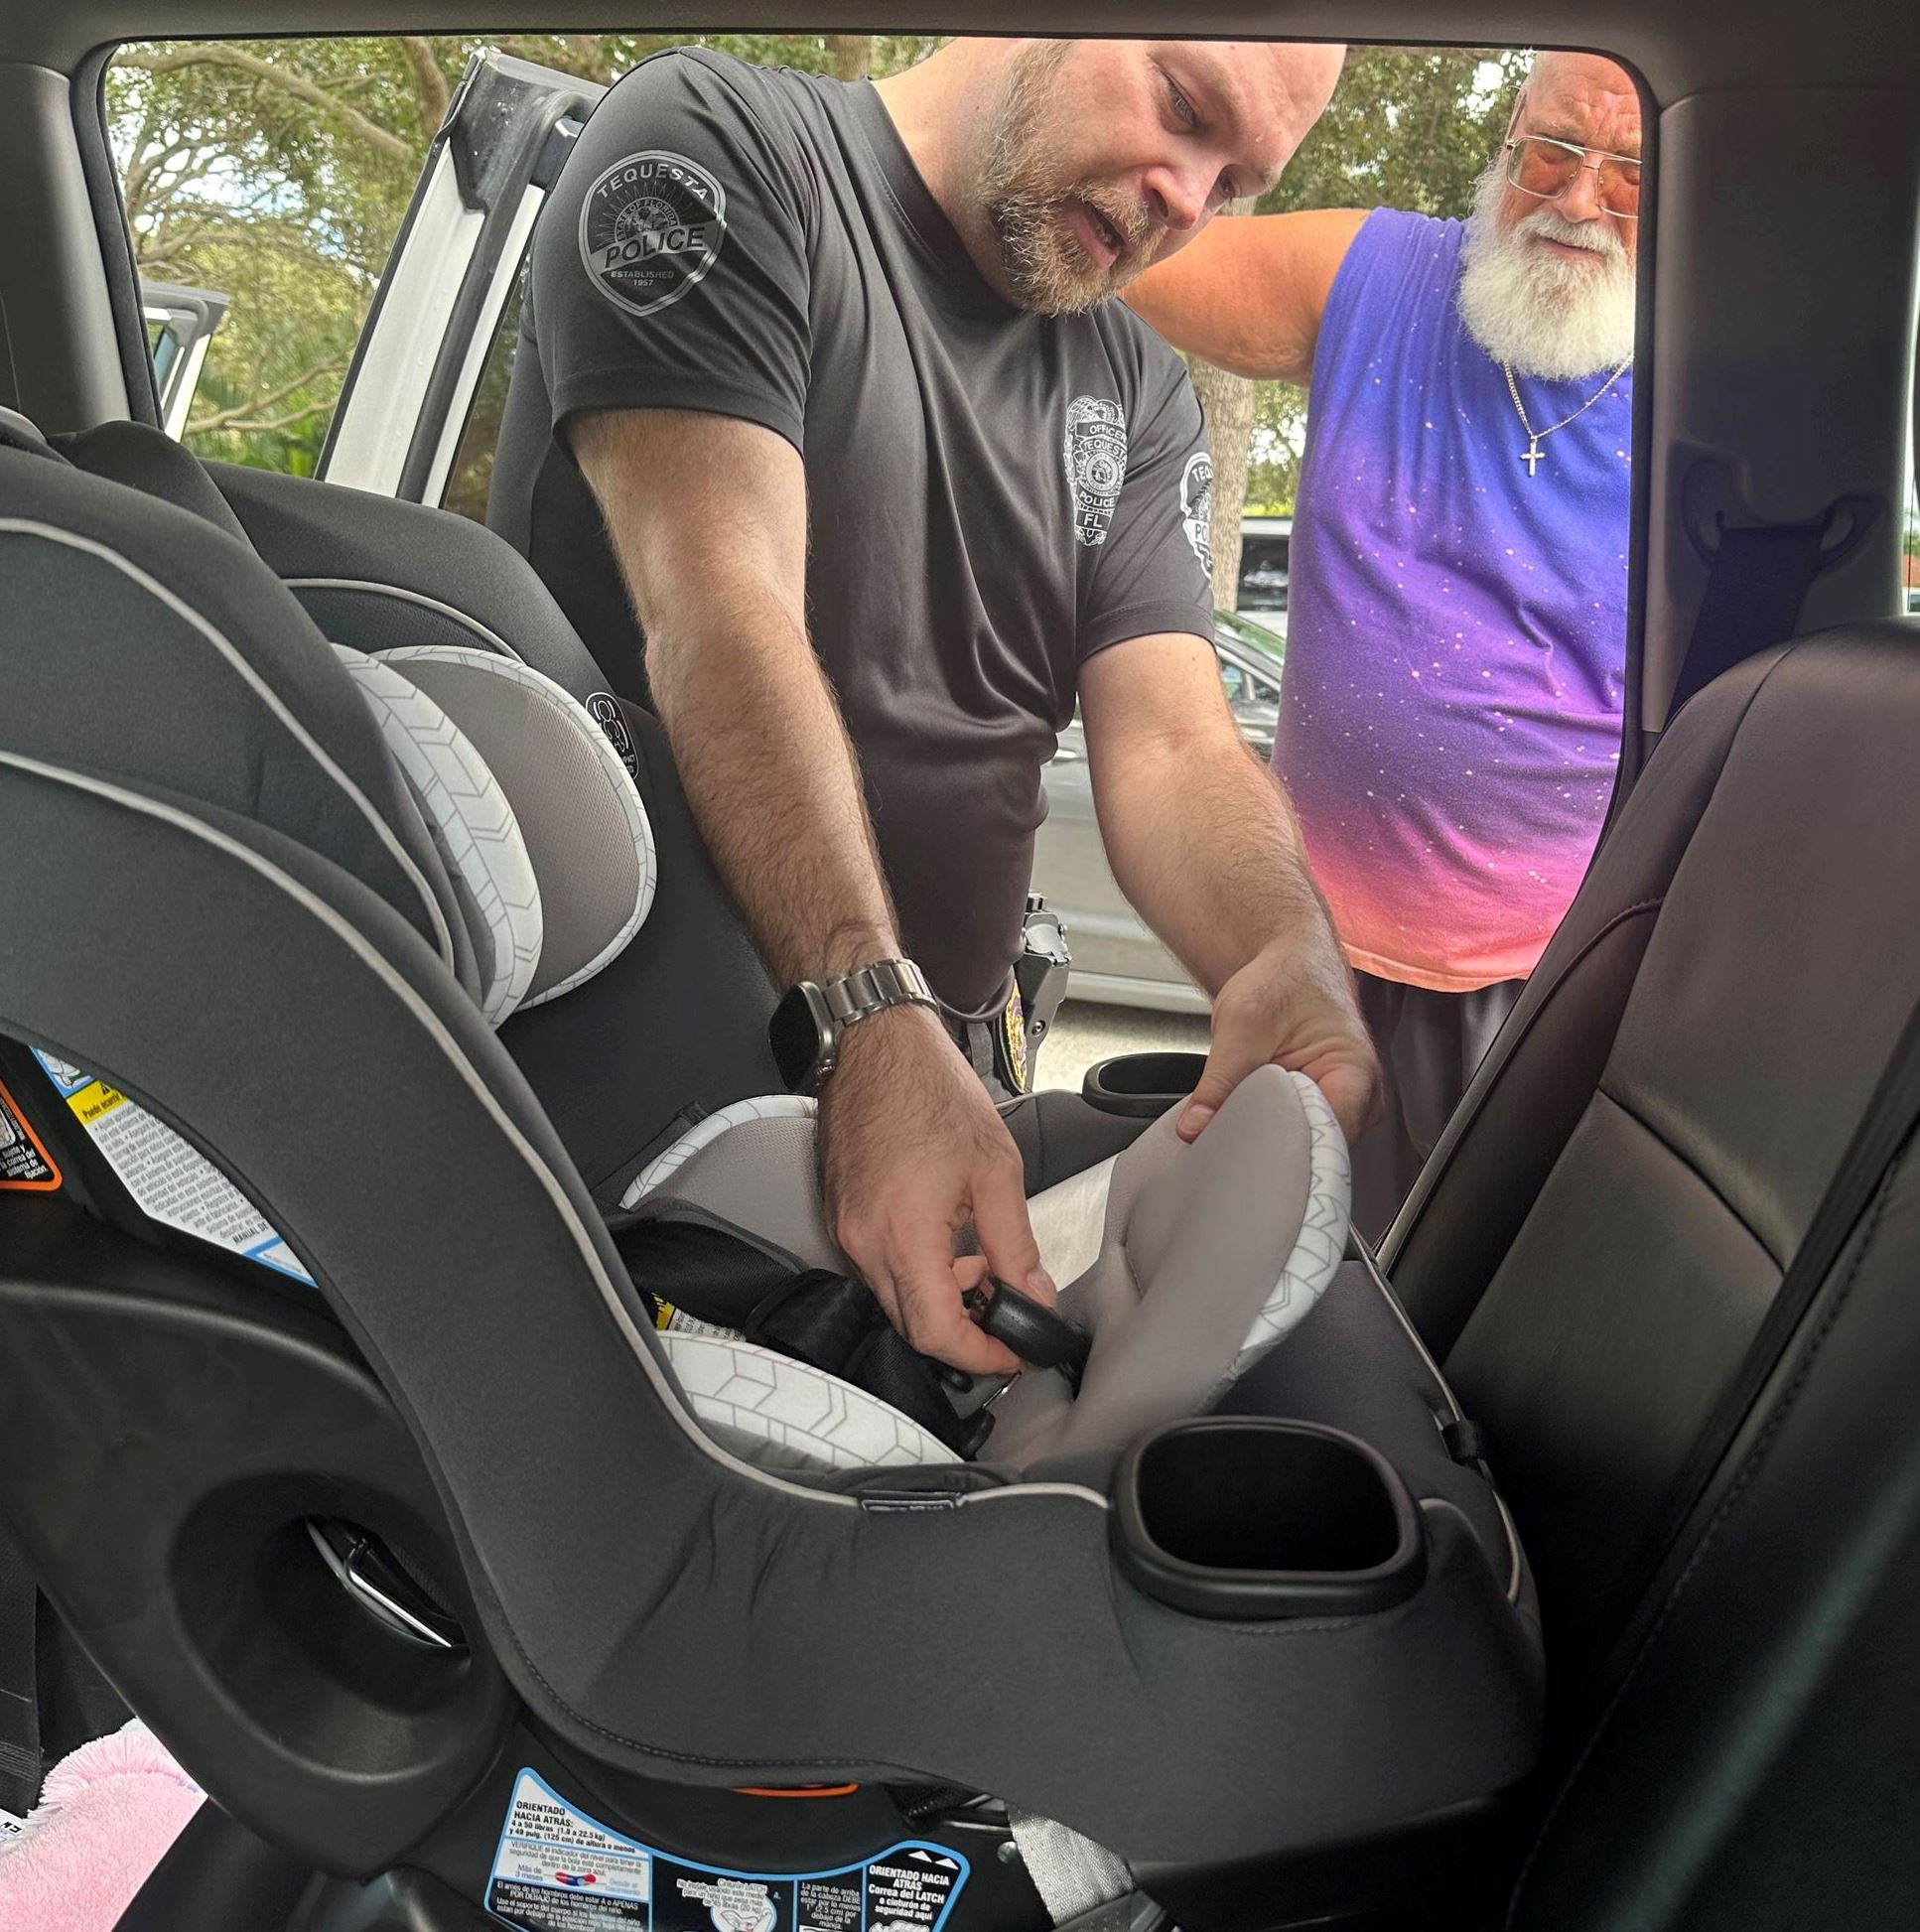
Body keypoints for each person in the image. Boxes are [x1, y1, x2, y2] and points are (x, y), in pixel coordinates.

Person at [487, 36, 1379, 1375]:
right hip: (662, 1102)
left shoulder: (1136, 391)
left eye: (1234, 183)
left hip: (945, 1065)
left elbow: (1173, 740)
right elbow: (720, 608)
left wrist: (1282, 952)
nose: (1189, 201)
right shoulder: (721, 147)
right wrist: (865, 1015)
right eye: (1183, 109)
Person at [1128, 52, 1641, 1235]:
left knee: (1481, 1300)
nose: (1575, 200)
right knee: (1291, 1273)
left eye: (1627, 174)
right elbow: (1128, 249)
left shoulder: (1712, 380)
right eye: (1550, 151)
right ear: (1503, 145)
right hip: (1309, 954)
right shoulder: (1380, 274)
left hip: (1548, 980)